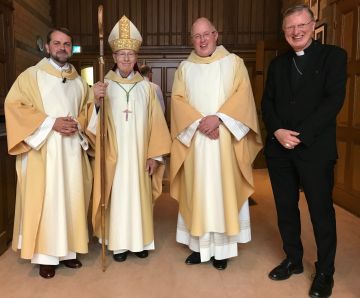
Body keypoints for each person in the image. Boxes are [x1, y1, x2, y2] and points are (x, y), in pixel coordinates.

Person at [261, 4, 347, 298]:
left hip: (315, 150)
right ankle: (293, 259)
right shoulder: (277, 64)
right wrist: (277, 131)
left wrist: (300, 136)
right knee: (285, 209)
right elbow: (267, 104)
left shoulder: (334, 57)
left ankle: (325, 271)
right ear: (284, 32)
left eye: (301, 25)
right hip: (279, 149)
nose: (296, 31)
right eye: (290, 27)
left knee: (321, 212)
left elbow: (333, 101)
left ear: (312, 26)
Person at [170, 17, 262, 270]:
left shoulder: (234, 63)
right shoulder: (184, 68)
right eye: (196, 36)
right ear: (192, 40)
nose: (201, 40)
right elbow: (177, 101)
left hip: (225, 142)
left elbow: (243, 97)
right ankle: (199, 249)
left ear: (215, 35)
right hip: (196, 143)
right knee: (198, 193)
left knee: (222, 193)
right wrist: (199, 123)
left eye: (205, 34)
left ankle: (221, 251)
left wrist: (218, 119)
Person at [4, 28, 93, 279]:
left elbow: (87, 112)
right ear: (47, 46)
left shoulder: (78, 81)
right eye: (57, 43)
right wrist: (51, 123)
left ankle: (68, 253)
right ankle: (45, 257)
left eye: (67, 44)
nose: (62, 48)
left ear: (71, 48)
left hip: (72, 151)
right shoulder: (31, 76)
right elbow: (14, 106)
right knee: (48, 201)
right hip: (44, 151)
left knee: (71, 197)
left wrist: (79, 122)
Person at [89, 15, 171, 262]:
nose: (125, 58)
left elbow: (157, 124)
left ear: (137, 58)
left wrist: (154, 155)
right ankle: (118, 244)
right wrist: (95, 102)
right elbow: (91, 126)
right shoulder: (103, 87)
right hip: (113, 156)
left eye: (130, 54)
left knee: (138, 197)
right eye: (121, 54)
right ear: (113, 57)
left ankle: (139, 242)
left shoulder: (146, 89)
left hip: (139, 156)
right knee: (114, 196)